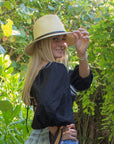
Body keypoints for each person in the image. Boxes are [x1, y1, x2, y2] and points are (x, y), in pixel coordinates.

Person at [22, 14, 93, 144]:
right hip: (58, 137)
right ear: (40, 45)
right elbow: (46, 106)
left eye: (63, 39)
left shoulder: (40, 71)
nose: (62, 44)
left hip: (41, 137)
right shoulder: (55, 69)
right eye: (55, 39)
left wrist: (82, 55)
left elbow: (82, 82)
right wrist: (58, 134)